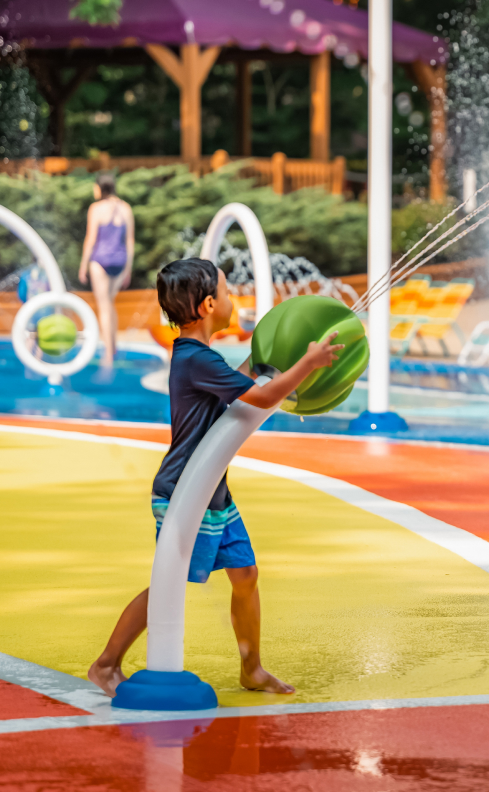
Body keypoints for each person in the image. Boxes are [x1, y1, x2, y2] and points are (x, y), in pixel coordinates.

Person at [87, 258, 344, 697]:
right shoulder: (193, 359)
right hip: (185, 490)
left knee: (245, 575)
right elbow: (260, 395)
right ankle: (106, 663)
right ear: (208, 305)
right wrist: (308, 364)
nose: (232, 300)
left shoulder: (198, 357)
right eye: (226, 293)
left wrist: (275, 361)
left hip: (212, 492)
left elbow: (245, 382)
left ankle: (252, 669)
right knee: (169, 581)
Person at [78, 172, 135, 370]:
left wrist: (83, 265)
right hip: (119, 261)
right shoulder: (126, 208)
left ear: (101, 187)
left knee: (103, 306)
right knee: (109, 304)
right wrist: (128, 268)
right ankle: (114, 347)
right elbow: (129, 241)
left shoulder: (96, 208)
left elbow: (91, 239)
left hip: (100, 261)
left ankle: (108, 357)